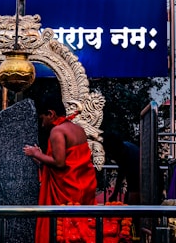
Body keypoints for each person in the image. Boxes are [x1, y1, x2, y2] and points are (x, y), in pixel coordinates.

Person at [23, 93, 97, 243]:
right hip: (84, 187)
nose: (42, 123)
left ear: (51, 114)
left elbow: (59, 163)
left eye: (42, 118)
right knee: (81, 230)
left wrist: (35, 153)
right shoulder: (78, 129)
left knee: (64, 230)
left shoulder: (57, 131)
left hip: (67, 191)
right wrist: (40, 158)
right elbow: (69, 161)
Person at [102, 132, 140, 205]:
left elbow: (134, 188)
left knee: (132, 203)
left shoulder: (131, 158)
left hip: (142, 182)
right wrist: (115, 193)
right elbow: (121, 172)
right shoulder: (124, 150)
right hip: (136, 181)